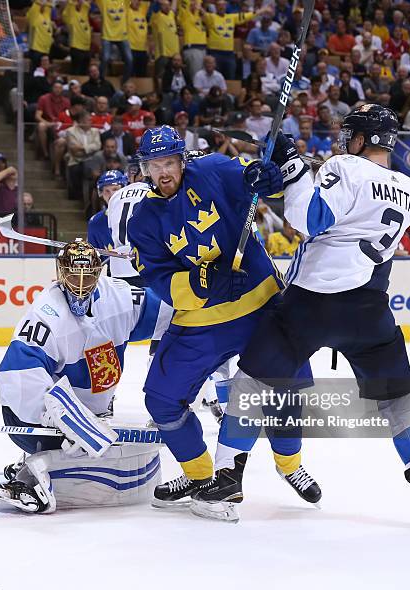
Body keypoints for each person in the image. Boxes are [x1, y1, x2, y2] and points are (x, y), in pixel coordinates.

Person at [216, 105, 410, 526]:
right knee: (399, 400)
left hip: (310, 304)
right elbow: (357, 209)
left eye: (350, 134)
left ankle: (227, 475)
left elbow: (308, 219)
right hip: (368, 309)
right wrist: (300, 169)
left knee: (252, 383)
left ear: (363, 138)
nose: (343, 141)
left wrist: (291, 167)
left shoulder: (345, 166)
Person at [126, 126, 318, 522]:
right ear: (145, 169)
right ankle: (200, 475)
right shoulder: (143, 220)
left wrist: (268, 178)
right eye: (154, 165)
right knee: (160, 398)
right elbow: (158, 279)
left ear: (182, 160)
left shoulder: (213, 169)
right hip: (204, 319)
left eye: (169, 163)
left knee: (287, 390)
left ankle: (289, 464)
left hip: (261, 304)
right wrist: (201, 282)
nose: (163, 172)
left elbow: (260, 182)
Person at [0, 240, 168, 513]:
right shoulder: (46, 313)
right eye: (73, 275)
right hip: (34, 416)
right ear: (60, 274)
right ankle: (33, 472)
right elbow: (17, 374)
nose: (81, 284)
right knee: (85, 449)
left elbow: (170, 310)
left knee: (100, 450)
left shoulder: (119, 297)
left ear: (100, 273)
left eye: (88, 276)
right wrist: (56, 413)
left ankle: (48, 462)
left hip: (89, 412)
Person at [88, 169, 128, 259]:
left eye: (115, 189)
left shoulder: (138, 214)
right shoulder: (95, 222)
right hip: (111, 272)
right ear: (101, 193)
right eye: (107, 191)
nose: (112, 195)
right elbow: (94, 257)